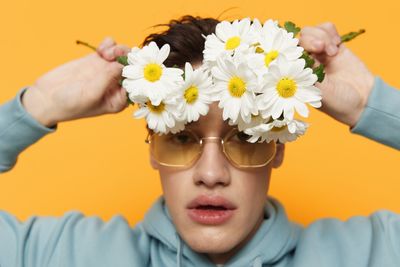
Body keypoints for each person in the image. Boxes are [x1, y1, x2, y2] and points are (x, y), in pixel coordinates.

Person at [0, 15, 399, 267]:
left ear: (277, 146)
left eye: (244, 135)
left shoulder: (375, 252)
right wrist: (38, 106)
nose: (211, 174)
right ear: (152, 145)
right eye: (180, 137)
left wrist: (372, 105)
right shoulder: (57, 253)